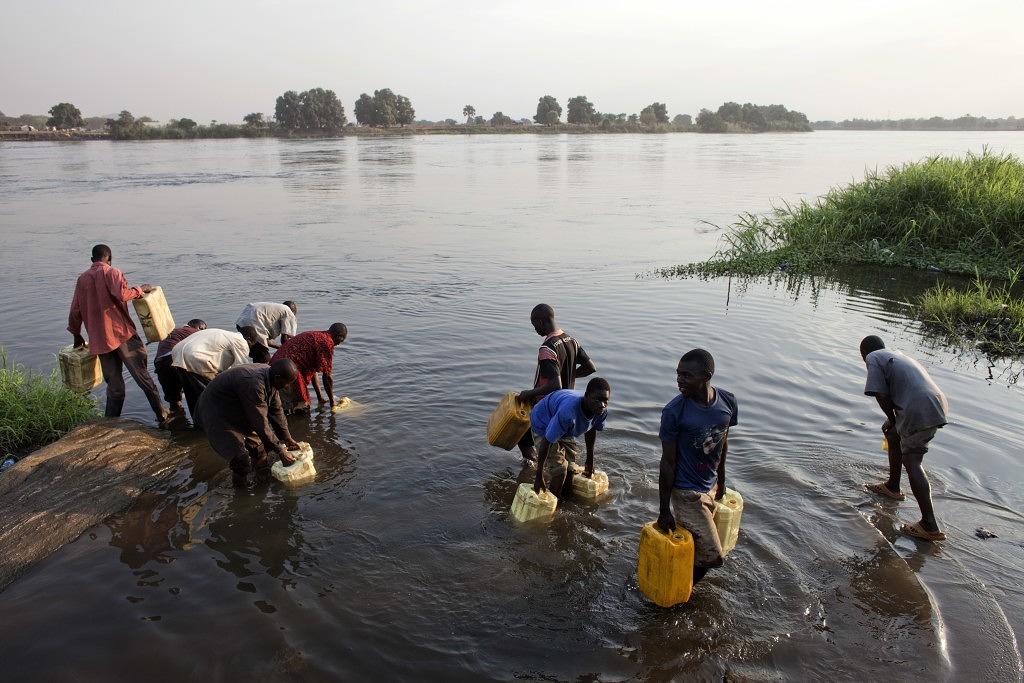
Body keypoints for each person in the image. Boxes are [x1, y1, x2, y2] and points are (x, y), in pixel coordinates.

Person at [657, 349, 738, 586]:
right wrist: (664, 509)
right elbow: (667, 462)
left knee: (696, 546)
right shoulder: (674, 411)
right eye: (678, 374)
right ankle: (681, 590)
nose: (679, 380)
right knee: (714, 556)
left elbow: (723, 442)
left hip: (709, 486)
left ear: (706, 376)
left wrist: (721, 482)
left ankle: (672, 585)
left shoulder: (727, 402)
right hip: (686, 492)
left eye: (687, 375)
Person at [67, 244, 169, 425]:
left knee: (114, 387)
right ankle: (162, 414)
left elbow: (75, 310)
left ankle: (109, 424)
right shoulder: (113, 272)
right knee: (143, 378)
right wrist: (140, 289)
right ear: (110, 258)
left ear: (92, 260)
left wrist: (76, 333)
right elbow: (121, 294)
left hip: (100, 341)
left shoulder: (82, 279)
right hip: (122, 335)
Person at [860, 335, 950, 541]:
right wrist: (893, 423)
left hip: (919, 407)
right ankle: (892, 486)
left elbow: (880, 394)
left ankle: (929, 525)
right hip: (935, 402)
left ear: (863, 353)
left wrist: (891, 418)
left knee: (912, 461)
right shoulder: (896, 355)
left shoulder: (873, 357)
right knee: (893, 435)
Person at [194, 359, 302, 487]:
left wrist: (287, 437)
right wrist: (281, 451)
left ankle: (261, 480)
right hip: (216, 412)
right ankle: (241, 492)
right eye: (287, 383)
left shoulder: (271, 378)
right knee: (240, 459)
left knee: (259, 449)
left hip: (236, 406)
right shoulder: (254, 384)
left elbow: (277, 411)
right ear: (278, 377)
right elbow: (260, 423)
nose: (287, 386)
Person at [516, 304, 597, 463]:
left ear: (540, 322)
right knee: (561, 440)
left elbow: (555, 385)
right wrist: (567, 374)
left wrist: (528, 393)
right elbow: (590, 367)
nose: (535, 330)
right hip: (567, 402)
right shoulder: (571, 340)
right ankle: (561, 467)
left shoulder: (547, 348)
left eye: (534, 325)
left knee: (522, 436)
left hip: (548, 404)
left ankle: (537, 469)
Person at [531, 378, 610, 499]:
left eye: (605, 400)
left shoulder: (600, 411)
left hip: (564, 428)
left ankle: (566, 499)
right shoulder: (568, 412)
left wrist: (589, 460)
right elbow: (547, 440)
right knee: (560, 470)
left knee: (570, 469)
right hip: (543, 421)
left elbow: (591, 428)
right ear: (586, 396)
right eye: (597, 400)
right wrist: (538, 475)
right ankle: (554, 504)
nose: (602, 405)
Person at [171, 327, 261, 418]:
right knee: (211, 393)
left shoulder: (226, 335)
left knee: (192, 394)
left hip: (177, 352)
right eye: (251, 345)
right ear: (248, 339)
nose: (249, 348)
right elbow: (242, 370)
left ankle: (198, 423)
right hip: (193, 356)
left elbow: (228, 367)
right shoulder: (241, 341)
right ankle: (215, 423)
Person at [270, 323, 348, 413]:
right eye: (341, 341)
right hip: (287, 370)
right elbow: (327, 376)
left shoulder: (317, 335)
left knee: (283, 406)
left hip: (276, 366)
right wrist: (332, 402)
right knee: (301, 408)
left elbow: (313, 371)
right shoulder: (327, 342)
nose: (338, 344)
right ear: (338, 336)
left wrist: (320, 397)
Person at [153, 318, 206, 412]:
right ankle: (198, 419)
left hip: (160, 362)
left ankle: (177, 417)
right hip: (177, 360)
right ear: (200, 327)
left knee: (174, 399)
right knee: (196, 393)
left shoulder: (172, 331)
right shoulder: (196, 332)